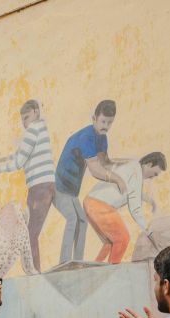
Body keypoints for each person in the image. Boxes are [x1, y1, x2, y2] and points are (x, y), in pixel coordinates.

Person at [53, 100, 128, 264]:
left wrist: (128, 164)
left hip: (72, 191)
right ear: (94, 118)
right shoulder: (86, 137)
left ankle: (77, 261)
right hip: (59, 187)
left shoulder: (102, 138)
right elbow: (95, 170)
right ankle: (64, 262)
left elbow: (106, 163)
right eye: (103, 121)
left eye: (110, 123)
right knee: (73, 219)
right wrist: (118, 179)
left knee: (82, 221)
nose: (106, 126)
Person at [0, 99, 56, 271]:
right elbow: (21, 154)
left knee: (31, 234)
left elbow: (18, 162)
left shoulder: (33, 130)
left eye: (27, 117)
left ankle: (35, 273)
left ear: (36, 112)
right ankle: (34, 271)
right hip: (43, 186)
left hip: (40, 188)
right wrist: (6, 159)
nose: (24, 123)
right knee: (31, 232)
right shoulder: (40, 129)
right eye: (22, 119)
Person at [84, 152, 166, 264]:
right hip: (100, 206)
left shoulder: (131, 165)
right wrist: (150, 234)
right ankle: (113, 270)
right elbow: (135, 209)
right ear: (149, 164)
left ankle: (95, 267)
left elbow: (131, 190)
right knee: (122, 239)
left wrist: (149, 200)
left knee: (110, 242)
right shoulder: (136, 173)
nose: (153, 177)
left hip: (90, 202)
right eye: (155, 173)